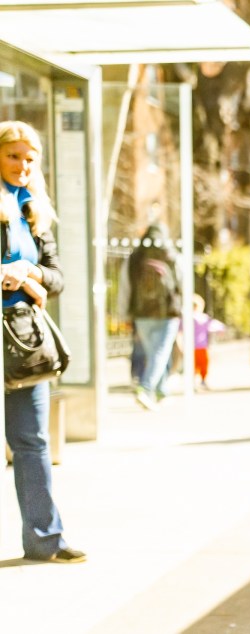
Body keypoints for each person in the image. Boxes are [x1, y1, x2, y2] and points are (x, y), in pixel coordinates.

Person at [0, 120, 86, 563]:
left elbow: (58, 278)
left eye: (30, 159)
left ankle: (45, 540)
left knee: (32, 440)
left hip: (24, 337)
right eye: (13, 156)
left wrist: (31, 273)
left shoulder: (35, 210)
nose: (22, 165)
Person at [127, 223, 183, 410]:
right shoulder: (171, 256)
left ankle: (161, 390)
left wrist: (125, 312)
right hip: (167, 312)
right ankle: (145, 388)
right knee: (160, 353)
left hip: (141, 313)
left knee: (155, 354)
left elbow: (126, 287)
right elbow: (182, 282)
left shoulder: (135, 257)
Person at [191, 294, 224, 389]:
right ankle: (199, 381)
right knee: (198, 365)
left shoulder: (202, 318)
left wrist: (220, 329)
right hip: (196, 346)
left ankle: (202, 380)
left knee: (202, 364)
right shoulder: (199, 318)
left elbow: (213, 325)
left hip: (200, 346)